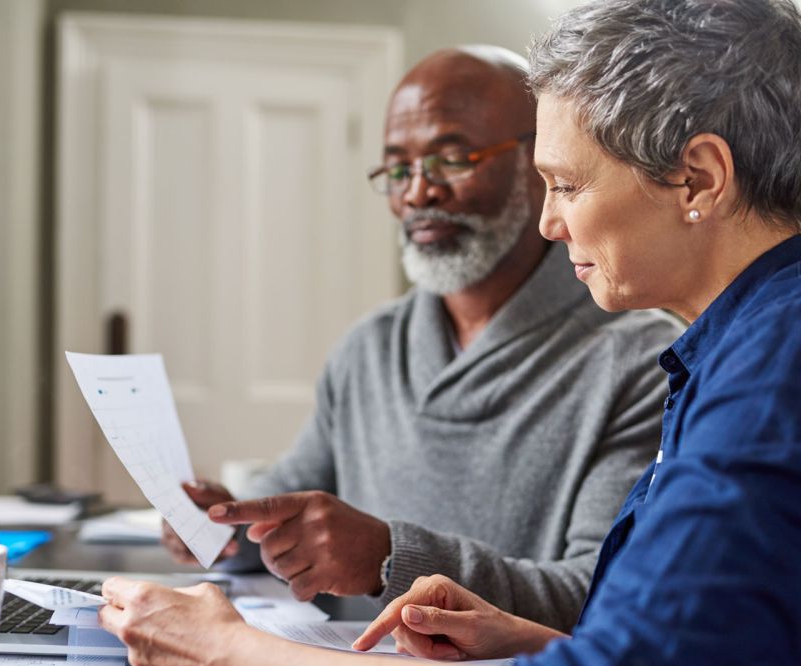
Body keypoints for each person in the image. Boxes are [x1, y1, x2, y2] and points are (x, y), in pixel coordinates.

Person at [96, 0, 801, 666]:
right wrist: (520, 635)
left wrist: (232, 654)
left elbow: (625, 658)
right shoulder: (728, 350)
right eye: (398, 168)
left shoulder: (763, 374)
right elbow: (665, 639)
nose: (552, 223)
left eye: (565, 184)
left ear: (698, 179)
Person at [162, 45, 681, 631]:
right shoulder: (370, 348)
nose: (416, 193)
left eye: (452, 158)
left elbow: (600, 590)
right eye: (398, 168)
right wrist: (225, 523)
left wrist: (391, 558)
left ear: (539, 164)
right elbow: (290, 510)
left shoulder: (642, 361)